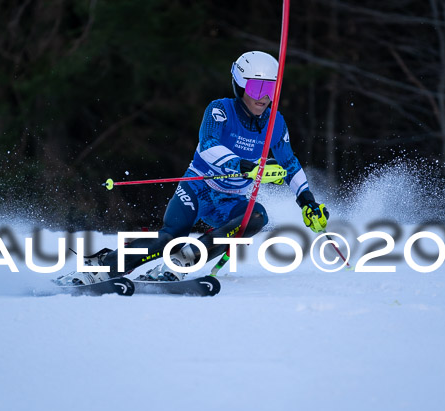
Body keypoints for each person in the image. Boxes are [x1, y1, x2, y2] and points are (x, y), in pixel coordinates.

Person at [58, 51, 329, 285]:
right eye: (257, 89)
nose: (263, 98)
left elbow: (289, 162)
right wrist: (242, 165)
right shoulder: (219, 110)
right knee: (168, 238)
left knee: (256, 217)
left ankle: (184, 259)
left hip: (230, 200)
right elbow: (208, 144)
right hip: (198, 187)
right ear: (239, 85)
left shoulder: (275, 122)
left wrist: (307, 201)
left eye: (270, 90)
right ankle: (103, 267)